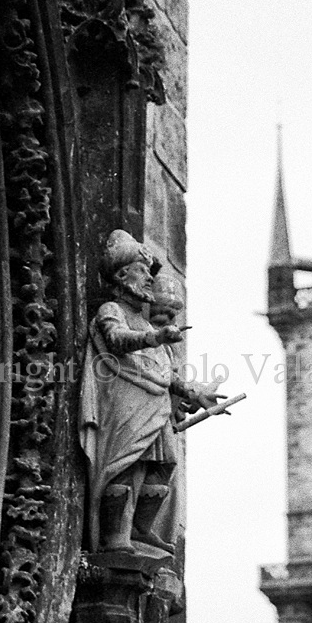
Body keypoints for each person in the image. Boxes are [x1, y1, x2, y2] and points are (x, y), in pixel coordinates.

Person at [79, 230, 220, 554]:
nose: (147, 279)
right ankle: (116, 536)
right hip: (127, 402)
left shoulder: (143, 323)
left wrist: (193, 392)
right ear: (121, 274)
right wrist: (155, 338)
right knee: (126, 465)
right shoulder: (111, 310)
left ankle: (141, 530)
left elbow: (164, 372)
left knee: (162, 466)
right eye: (142, 271)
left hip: (154, 404)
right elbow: (116, 340)